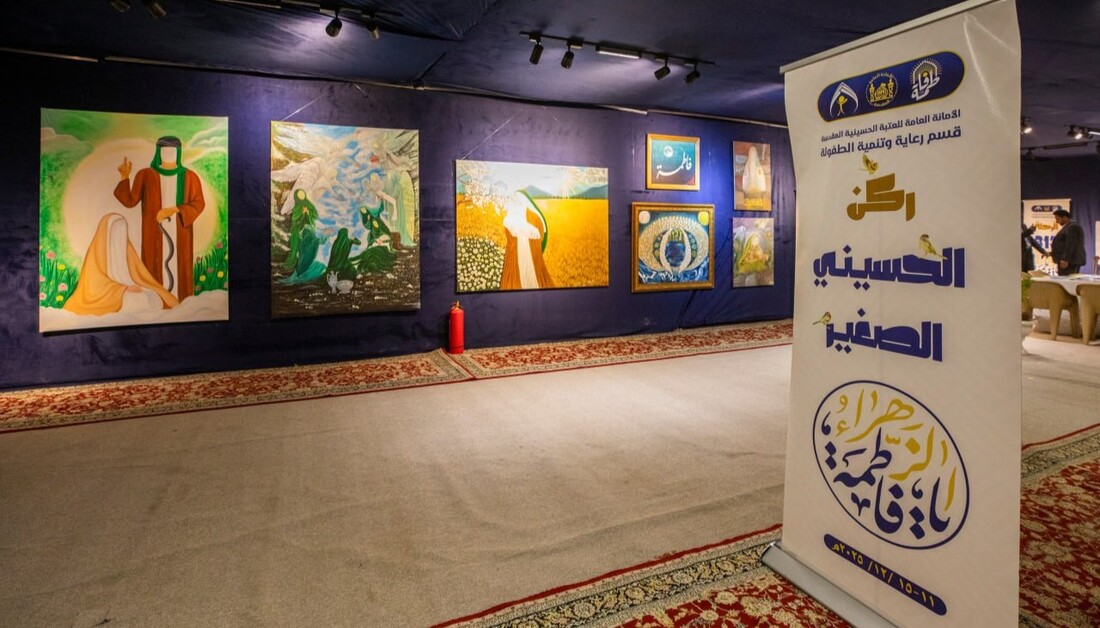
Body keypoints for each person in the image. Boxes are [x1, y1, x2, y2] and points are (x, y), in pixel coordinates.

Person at [113, 135, 206, 299]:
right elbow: (130, 200)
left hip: (180, 234)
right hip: (153, 233)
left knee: (179, 268)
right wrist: (124, 177)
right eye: (165, 150)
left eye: (172, 151)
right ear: (158, 152)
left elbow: (198, 203)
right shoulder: (145, 175)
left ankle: (181, 303)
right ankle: (155, 303)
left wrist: (174, 209)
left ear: (178, 153)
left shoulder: (190, 177)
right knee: (153, 269)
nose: (168, 154)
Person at [63, 213, 179, 316]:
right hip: (110, 295)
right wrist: (123, 289)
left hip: (129, 289)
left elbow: (140, 276)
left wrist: (140, 287)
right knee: (133, 300)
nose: (120, 234)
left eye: (123, 231)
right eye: (116, 230)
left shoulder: (127, 250)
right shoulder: (96, 254)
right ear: (107, 232)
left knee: (153, 296)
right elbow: (95, 287)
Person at [499, 190, 553, 290]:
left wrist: (527, 231)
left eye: (519, 200)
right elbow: (509, 235)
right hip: (515, 254)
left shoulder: (533, 216)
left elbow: (540, 233)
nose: (516, 203)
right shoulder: (509, 217)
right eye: (514, 200)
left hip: (529, 252)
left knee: (533, 276)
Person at [1050, 209, 1085, 276]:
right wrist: (1052, 253)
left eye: (1058, 219)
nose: (1056, 221)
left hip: (1070, 262)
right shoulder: (1068, 227)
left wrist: (1065, 259)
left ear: (1064, 217)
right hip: (1068, 261)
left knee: (1067, 281)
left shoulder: (1072, 227)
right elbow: (1062, 244)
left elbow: (1070, 244)